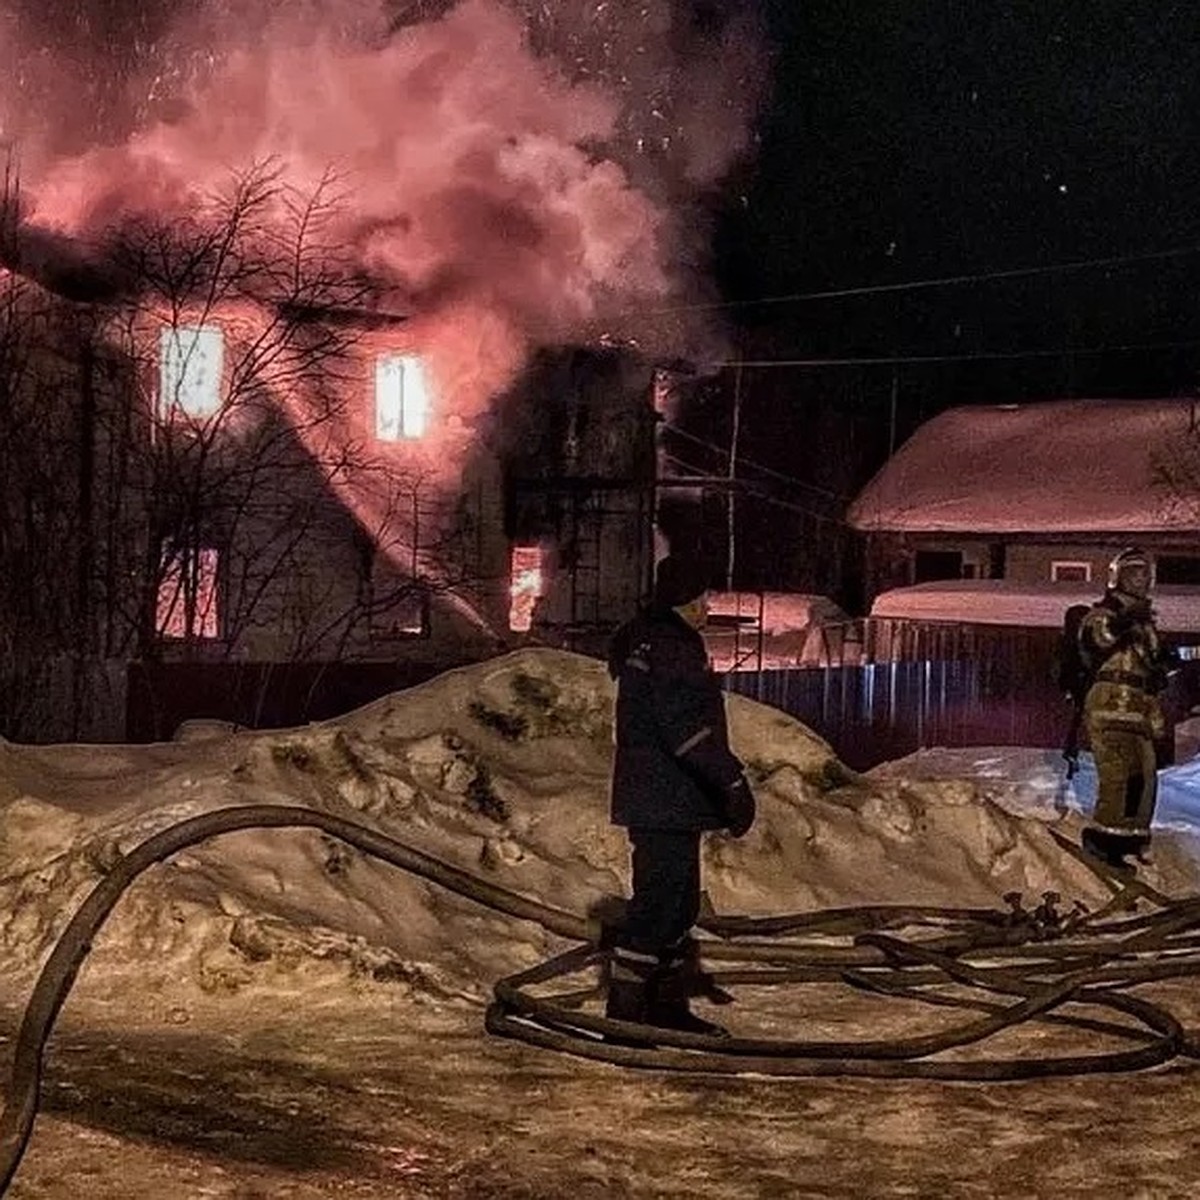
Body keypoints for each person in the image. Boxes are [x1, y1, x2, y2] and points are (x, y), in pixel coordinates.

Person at [603, 553, 756, 1036]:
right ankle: (628, 1019)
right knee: (660, 907)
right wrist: (730, 782)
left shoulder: (653, 640)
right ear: (684, 601)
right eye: (703, 596)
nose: (708, 604)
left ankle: (663, 1010)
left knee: (677, 904)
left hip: (664, 798)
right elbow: (687, 730)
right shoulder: (671, 647)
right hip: (665, 797)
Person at [1078, 546, 1177, 868]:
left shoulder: (1148, 628)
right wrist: (1123, 622)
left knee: (1145, 775)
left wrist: (1168, 662)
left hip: (1138, 708)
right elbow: (1098, 639)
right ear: (1117, 578)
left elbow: (1155, 667)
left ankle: (1132, 836)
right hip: (1109, 705)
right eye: (1133, 573)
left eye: (1145, 574)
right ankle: (1103, 840)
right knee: (1119, 773)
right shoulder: (1101, 614)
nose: (1140, 579)